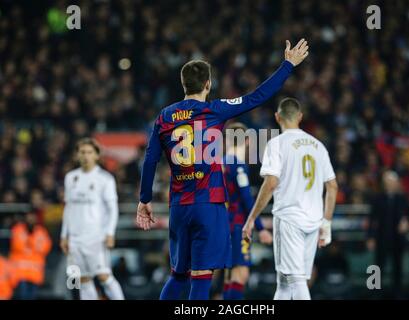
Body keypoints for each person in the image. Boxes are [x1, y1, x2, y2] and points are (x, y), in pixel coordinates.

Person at [136, 39, 310, 300]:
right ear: (208, 84)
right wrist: (287, 65)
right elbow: (258, 96)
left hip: (179, 207)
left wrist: (144, 200)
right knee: (202, 278)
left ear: (184, 85)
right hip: (209, 205)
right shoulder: (215, 110)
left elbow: (150, 160)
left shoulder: (165, 116)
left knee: (178, 275)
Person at [243, 97, 338, 300]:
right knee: (285, 281)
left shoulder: (277, 144)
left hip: (289, 218)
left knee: (296, 280)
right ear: (300, 117)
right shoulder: (318, 145)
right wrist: (327, 222)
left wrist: (251, 218)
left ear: (277, 117)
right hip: (313, 220)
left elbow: (270, 184)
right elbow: (332, 186)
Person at [60, 138, 124, 300]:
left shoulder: (105, 178)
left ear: (96, 155)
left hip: (96, 237)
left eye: (89, 152)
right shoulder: (70, 178)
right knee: (83, 279)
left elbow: (112, 208)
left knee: (104, 276)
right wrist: (64, 235)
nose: (85, 156)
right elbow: (68, 207)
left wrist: (110, 233)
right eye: (82, 152)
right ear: (77, 155)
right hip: (75, 238)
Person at [222, 122, 273, 300]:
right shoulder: (238, 165)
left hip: (223, 225)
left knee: (230, 274)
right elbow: (246, 199)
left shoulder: (221, 163)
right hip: (237, 226)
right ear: (246, 141)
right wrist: (261, 228)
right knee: (241, 274)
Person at [367, 170, 409, 298]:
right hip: (381, 237)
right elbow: (372, 220)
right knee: (377, 266)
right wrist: (370, 237)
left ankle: (397, 293)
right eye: (387, 182)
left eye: (392, 182)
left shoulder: (402, 199)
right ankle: (375, 293)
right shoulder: (378, 199)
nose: (390, 184)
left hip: (397, 239)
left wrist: (406, 221)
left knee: (397, 267)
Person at [9, 212, 52, 300]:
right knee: (23, 296)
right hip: (20, 272)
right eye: (29, 218)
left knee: (32, 297)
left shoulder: (41, 231)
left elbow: (46, 248)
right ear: (25, 218)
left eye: (32, 218)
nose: (30, 220)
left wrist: (29, 244)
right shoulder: (18, 229)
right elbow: (17, 245)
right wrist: (35, 245)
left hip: (35, 271)